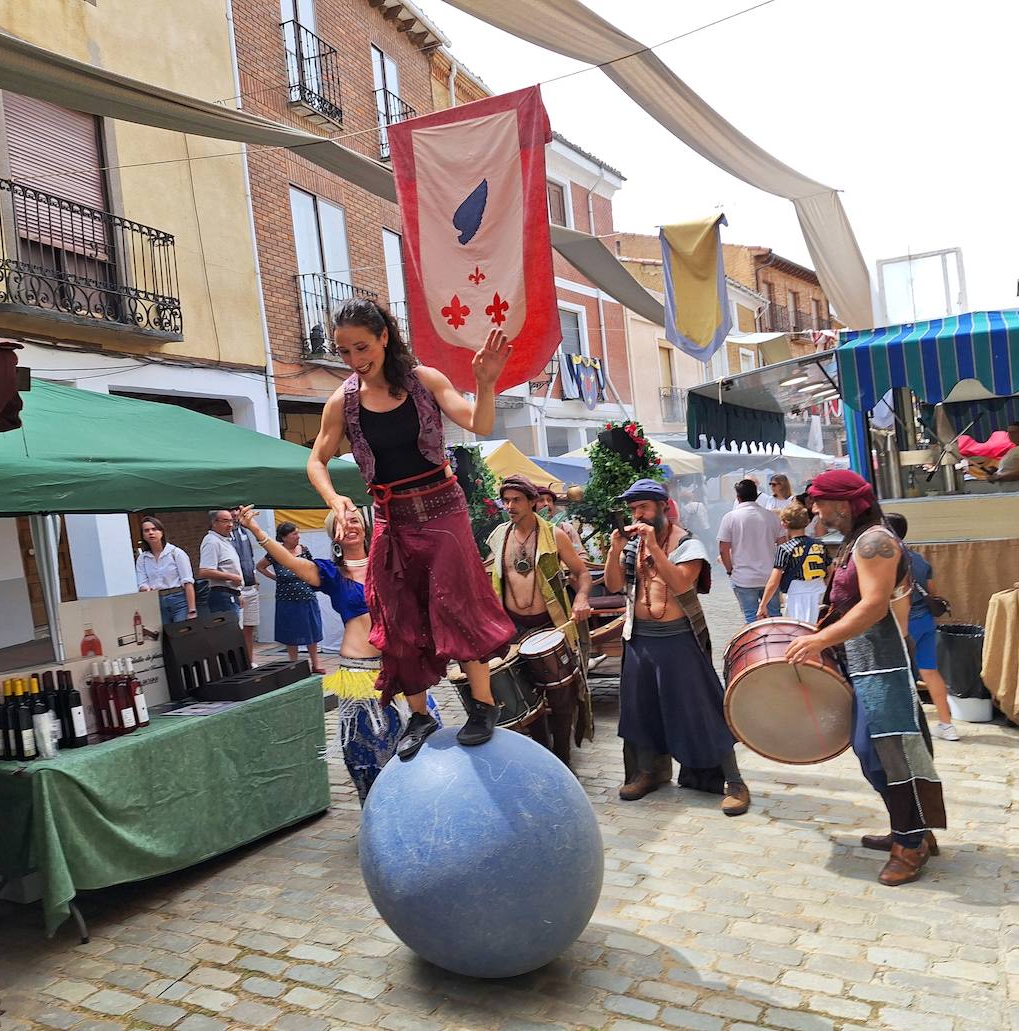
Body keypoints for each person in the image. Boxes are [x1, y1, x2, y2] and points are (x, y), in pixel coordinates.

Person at [306, 298, 516, 757]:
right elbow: (316, 460)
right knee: (395, 612)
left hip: (443, 508)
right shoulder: (342, 402)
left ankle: (482, 705)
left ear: (384, 337)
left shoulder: (425, 381)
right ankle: (419, 715)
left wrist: (486, 383)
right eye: (344, 352)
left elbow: (478, 423)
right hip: (390, 515)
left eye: (362, 347)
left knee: (457, 601)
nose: (355, 360)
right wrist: (335, 498)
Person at [784, 470, 947, 885]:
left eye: (819, 503)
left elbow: (874, 605)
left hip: (883, 665)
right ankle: (913, 829)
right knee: (878, 754)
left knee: (887, 755)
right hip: (866, 662)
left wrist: (821, 640)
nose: (815, 510)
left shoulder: (875, 542)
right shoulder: (860, 541)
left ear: (842, 503)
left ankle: (910, 846)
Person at [238, 506, 441, 802]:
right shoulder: (331, 573)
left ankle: (425, 806)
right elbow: (291, 562)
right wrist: (257, 531)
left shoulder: (388, 564)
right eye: (342, 524)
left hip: (400, 669)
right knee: (370, 753)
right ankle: (379, 815)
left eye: (355, 520)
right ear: (334, 535)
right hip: (359, 674)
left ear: (366, 527)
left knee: (425, 741)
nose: (350, 526)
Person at [606, 479, 749, 814]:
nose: (637, 514)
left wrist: (655, 547)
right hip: (639, 638)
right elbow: (614, 586)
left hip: (678, 639)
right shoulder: (631, 546)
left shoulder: (688, 543)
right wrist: (615, 550)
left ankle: (734, 781)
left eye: (643, 507)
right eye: (633, 508)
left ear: (661, 507)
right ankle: (647, 773)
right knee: (641, 711)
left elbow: (682, 584)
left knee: (702, 709)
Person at [487, 475, 594, 765]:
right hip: (513, 628)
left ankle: (562, 758)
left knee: (561, 698)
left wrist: (581, 598)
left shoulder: (554, 534)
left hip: (550, 625)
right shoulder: (499, 537)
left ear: (533, 502)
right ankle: (542, 755)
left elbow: (582, 573)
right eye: (506, 500)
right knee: (525, 696)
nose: (510, 506)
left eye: (516, 500)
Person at [887, 513, 958, 742]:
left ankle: (905, 727)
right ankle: (947, 725)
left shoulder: (888, 560)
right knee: (930, 671)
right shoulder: (919, 560)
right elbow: (932, 592)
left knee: (899, 675)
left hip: (904, 623)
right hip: (926, 620)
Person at [256, 522, 325, 675]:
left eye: (298, 533)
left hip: (306, 595)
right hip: (286, 598)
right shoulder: (276, 552)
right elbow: (260, 566)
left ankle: (316, 663)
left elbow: (312, 567)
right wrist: (276, 578)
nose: (298, 536)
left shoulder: (304, 550)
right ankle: (293, 665)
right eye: (294, 534)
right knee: (290, 632)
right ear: (284, 537)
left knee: (311, 631)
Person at [717, 479, 783, 623]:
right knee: (775, 616)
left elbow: (723, 549)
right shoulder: (772, 517)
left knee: (751, 618)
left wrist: (730, 570)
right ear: (756, 495)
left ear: (738, 497)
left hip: (743, 577)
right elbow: (783, 545)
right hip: (770, 576)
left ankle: (756, 644)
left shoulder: (730, 518)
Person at [757, 501, 829, 624]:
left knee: (799, 633)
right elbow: (830, 572)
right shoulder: (820, 545)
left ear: (784, 524)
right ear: (807, 522)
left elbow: (774, 581)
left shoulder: (785, 549)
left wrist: (763, 605)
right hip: (820, 593)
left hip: (797, 595)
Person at [135, 516, 198, 625]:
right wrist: (145, 588)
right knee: (164, 637)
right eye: (147, 530)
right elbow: (142, 582)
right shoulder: (143, 558)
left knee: (181, 634)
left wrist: (192, 610)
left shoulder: (176, 553)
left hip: (178, 599)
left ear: (162, 532)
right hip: (156, 601)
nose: (151, 533)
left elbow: (188, 582)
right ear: (143, 535)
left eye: (154, 529)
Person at [199, 510, 246, 633]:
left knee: (236, 633)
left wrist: (238, 592)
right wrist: (232, 577)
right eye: (225, 521)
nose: (230, 524)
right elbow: (204, 571)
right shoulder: (211, 541)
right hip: (221, 595)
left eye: (231, 521)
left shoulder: (225, 540)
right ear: (214, 523)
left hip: (232, 593)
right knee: (229, 634)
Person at [228, 507, 262, 665]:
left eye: (236, 510)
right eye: (230, 511)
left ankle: (249, 661)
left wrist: (254, 577)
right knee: (237, 630)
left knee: (249, 627)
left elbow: (250, 556)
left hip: (250, 585)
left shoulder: (244, 530)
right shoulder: (223, 536)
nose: (235, 514)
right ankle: (238, 665)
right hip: (235, 589)